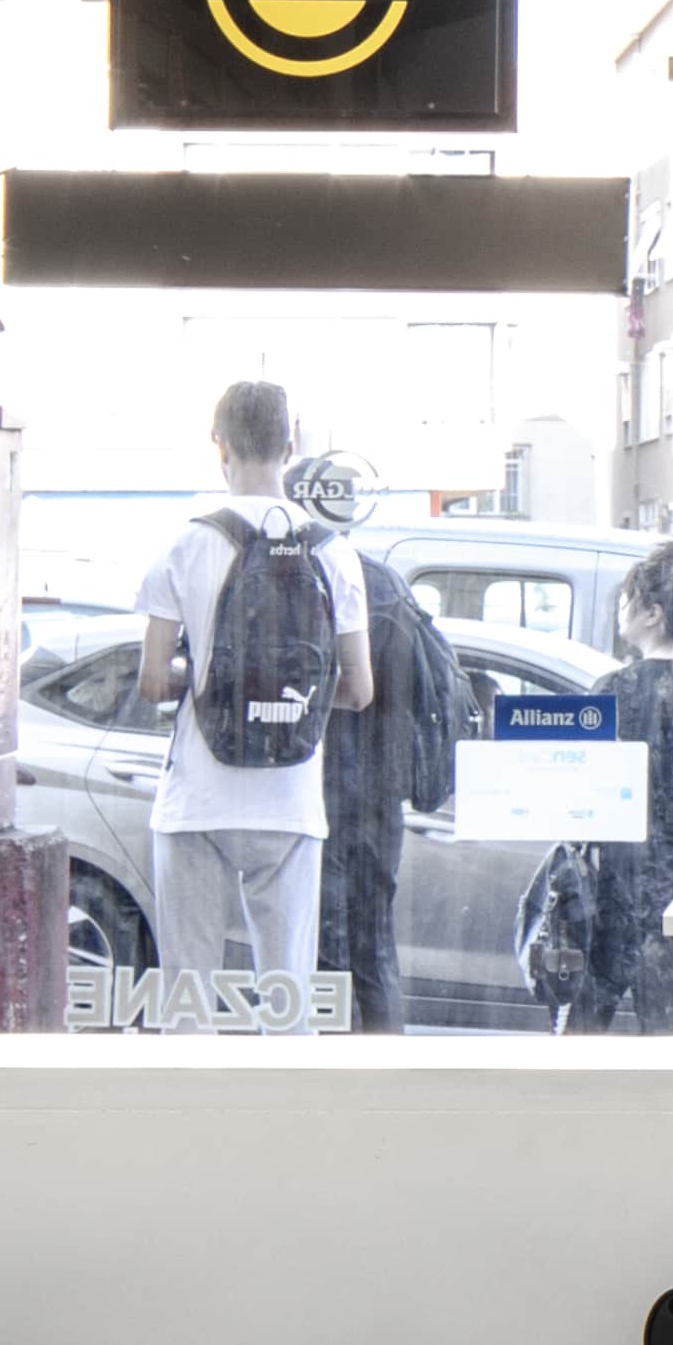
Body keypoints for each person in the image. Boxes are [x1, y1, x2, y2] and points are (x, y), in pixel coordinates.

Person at [131, 381, 369, 1004]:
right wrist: (289, 699)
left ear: (221, 446)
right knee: (289, 1001)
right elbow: (360, 688)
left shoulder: (186, 545)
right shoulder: (334, 553)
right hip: (290, 801)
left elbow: (152, 679)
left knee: (188, 997)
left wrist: (213, 684)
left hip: (196, 799)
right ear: (290, 447)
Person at [539, 537, 673, 1036]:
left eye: (627, 599)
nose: (621, 609)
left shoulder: (613, 689)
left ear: (653, 614)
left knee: (582, 1040)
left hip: (614, 892)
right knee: (671, 1042)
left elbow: (582, 797)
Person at [292, 453, 461, 1038]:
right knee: (374, 948)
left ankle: (332, 1072)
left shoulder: (313, 582)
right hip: (380, 797)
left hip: (328, 788)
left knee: (324, 952)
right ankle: (386, 1066)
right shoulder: (387, 583)